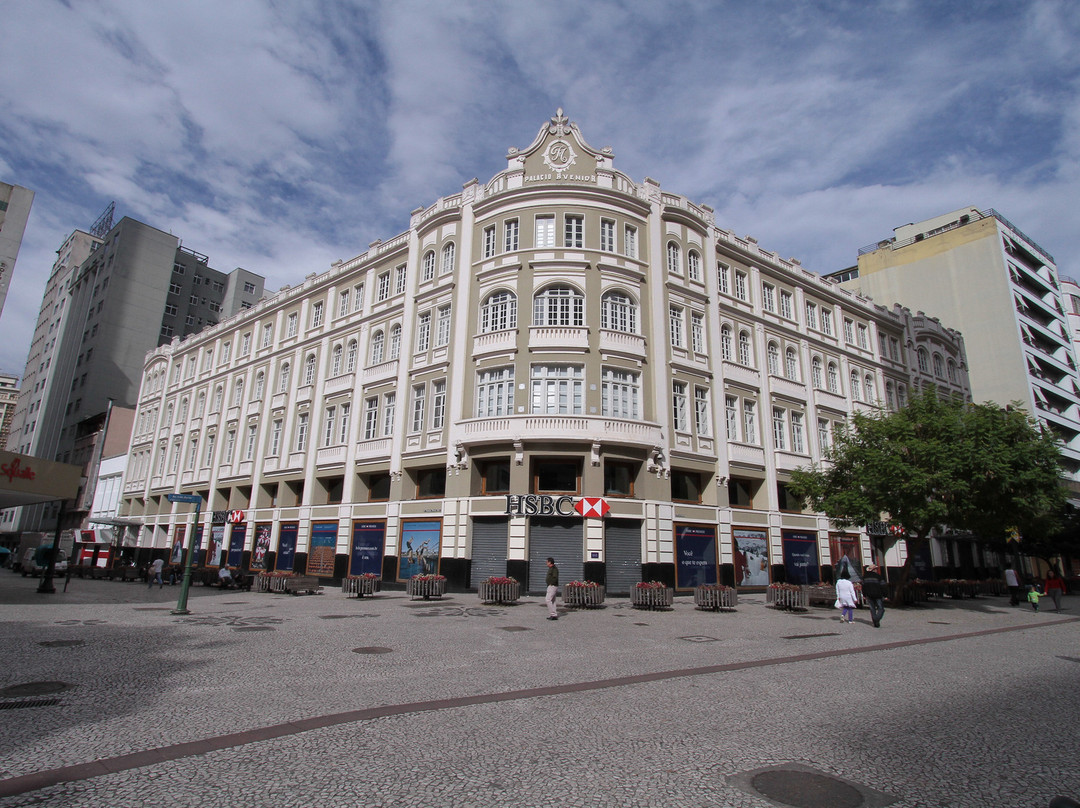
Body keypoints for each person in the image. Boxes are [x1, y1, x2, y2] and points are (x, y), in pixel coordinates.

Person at [861, 563, 887, 628]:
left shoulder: (865, 577)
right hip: (878, 594)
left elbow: (863, 587)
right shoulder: (878, 576)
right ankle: (876, 619)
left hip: (869, 595)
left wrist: (864, 594)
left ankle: (875, 622)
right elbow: (883, 586)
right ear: (874, 570)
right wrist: (885, 595)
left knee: (872, 609)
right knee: (881, 608)